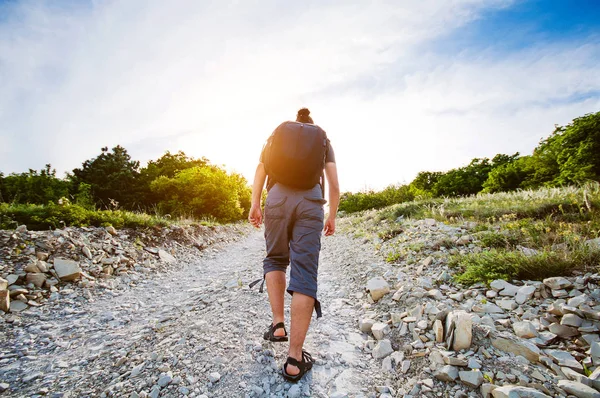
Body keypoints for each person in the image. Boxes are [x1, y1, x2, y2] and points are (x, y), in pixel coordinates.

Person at [248, 108, 340, 382]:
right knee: (305, 272)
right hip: (311, 201)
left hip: (276, 197)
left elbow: (261, 169)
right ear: (311, 125)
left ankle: (278, 325)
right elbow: (334, 184)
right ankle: (294, 359)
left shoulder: (277, 135)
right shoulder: (323, 140)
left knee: (275, 259)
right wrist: (332, 215)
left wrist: (255, 203)